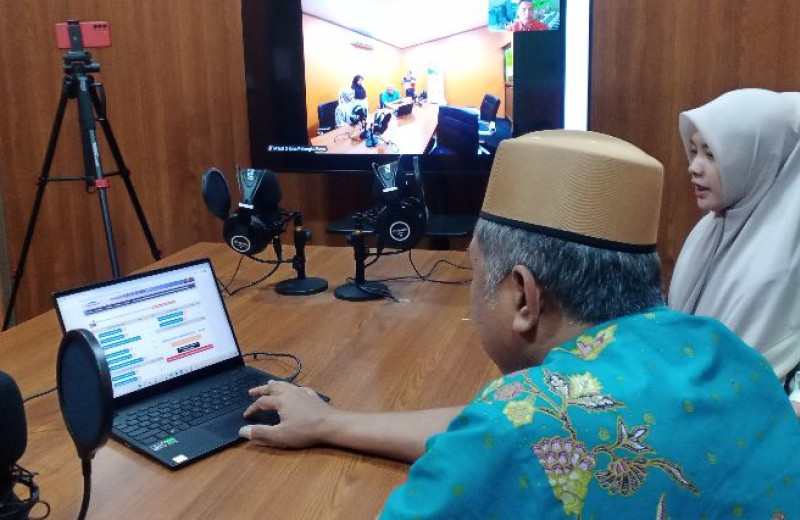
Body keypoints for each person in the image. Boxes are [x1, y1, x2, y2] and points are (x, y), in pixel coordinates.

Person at [240, 131, 800, 517]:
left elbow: (515, 431)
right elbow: (510, 425)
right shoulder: (722, 351)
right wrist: (330, 423)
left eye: (473, 269)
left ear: (524, 296)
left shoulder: (523, 426)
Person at [669, 88, 800, 418]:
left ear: (759, 159)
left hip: (766, 424)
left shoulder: (791, 243)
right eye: (693, 151)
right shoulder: (707, 231)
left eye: (711, 154)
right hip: (690, 412)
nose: (694, 167)